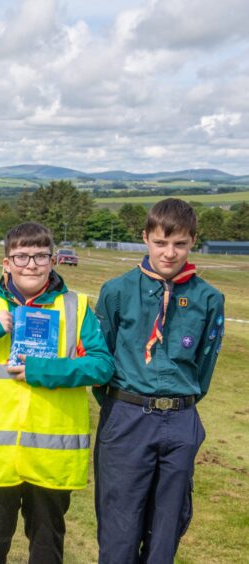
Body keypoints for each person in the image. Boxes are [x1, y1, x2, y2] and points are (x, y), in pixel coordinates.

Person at [0, 222, 113, 564]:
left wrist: (43, 370)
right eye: (21, 256)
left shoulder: (76, 308)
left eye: (40, 256)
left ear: (53, 261)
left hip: (50, 461)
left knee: (47, 552)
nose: (31, 264)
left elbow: (101, 366)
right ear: (6, 263)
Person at [94, 198, 224, 563]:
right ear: (145, 239)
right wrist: (122, 404)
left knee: (167, 528)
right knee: (119, 526)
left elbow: (205, 364)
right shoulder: (116, 291)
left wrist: (179, 405)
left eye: (180, 244)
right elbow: (102, 359)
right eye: (161, 242)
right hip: (127, 416)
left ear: (192, 242)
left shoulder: (209, 298)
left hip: (180, 420)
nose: (170, 253)